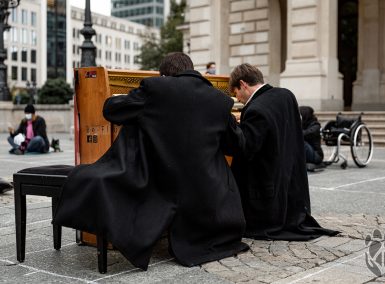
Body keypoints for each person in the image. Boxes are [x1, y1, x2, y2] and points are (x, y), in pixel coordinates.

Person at [54, 52, 248, 270]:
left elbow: (111, 110)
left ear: (165, 75)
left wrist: (124, 101)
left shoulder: (156, 88)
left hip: (168, 184)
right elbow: (236, 145)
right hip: (210, 191)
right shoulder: (220, 100)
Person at [228, 63, 338, 240]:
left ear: (243, 84)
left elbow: (247, 149)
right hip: (291, 182)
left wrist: (233, 125)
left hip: (267, 193)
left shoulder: (255, 108)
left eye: (236, 93)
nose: (238, 99)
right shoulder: (285, 95)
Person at [299, 106, 325, 171]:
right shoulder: (301, 124)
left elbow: (304, 134)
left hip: (316, 155)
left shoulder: (316, 126)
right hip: (307, 154)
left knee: (301, 142)